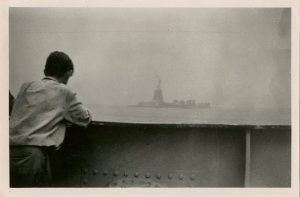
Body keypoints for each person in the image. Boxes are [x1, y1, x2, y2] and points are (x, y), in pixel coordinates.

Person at [9, 51, 92, 187]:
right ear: (69, 73)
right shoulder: (64, 92)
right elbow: (84, 119)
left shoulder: (26, 86)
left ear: (45, 70)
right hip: (33, 157)